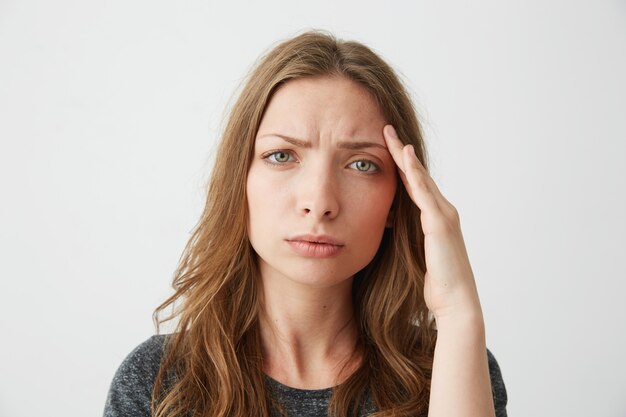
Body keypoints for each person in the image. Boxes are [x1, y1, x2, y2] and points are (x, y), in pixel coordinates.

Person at [103, 30, 508, 417]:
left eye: (362, 164)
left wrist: (458, 312)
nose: (319, 202)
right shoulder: (157, 383)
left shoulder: (454, 363)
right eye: (282, 156)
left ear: (399, 199)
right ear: (238, 181)